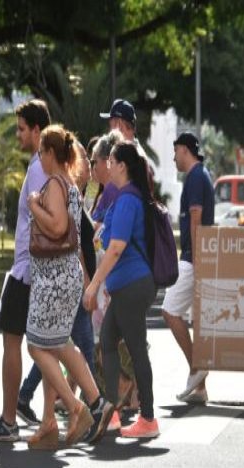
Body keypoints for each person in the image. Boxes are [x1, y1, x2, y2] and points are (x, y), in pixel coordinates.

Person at [25, 125, 112, 449]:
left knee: (36, 346)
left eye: (41, 153)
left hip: (54, 279)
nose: (40, 159)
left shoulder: (56, 185)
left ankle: (76, 407)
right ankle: (85, 406)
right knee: (57, 344)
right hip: (66, 276)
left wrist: (35, 206)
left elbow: (59, 227)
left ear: (50, 153)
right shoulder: (71, 185)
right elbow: (74, 238)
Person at [0, 99, 50, 441]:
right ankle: (54, 416)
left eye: (21, 129)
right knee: (49, 346)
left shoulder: (39, 168)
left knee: (14, 343)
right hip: (33, 268)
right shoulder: (44, 165)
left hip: (26, 270)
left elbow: (43, 219)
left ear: (37, 130)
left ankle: (9, 420)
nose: (18, 135)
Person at [83, 141, 160, 438]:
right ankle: (112, 413)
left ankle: (148, 419)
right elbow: (107, 238)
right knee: (108, 340)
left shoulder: (129, 199)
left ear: (122, 166)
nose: (106, 166)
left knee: (136, 350)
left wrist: (93, 285)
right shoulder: (122, 198)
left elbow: (116, 248)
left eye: (111, 161)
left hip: (132, 283)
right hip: (127, 284)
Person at [162, 132, 215, 404]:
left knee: (170, 311)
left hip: (194, 259)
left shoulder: (195, 177)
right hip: (198, 258)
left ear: (185, 150)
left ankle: (196, 366)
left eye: (175, 152)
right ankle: (200, 388)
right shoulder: (201, 175)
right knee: (196, 322)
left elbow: (196, 219)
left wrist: (198, 260)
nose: (173, 158)